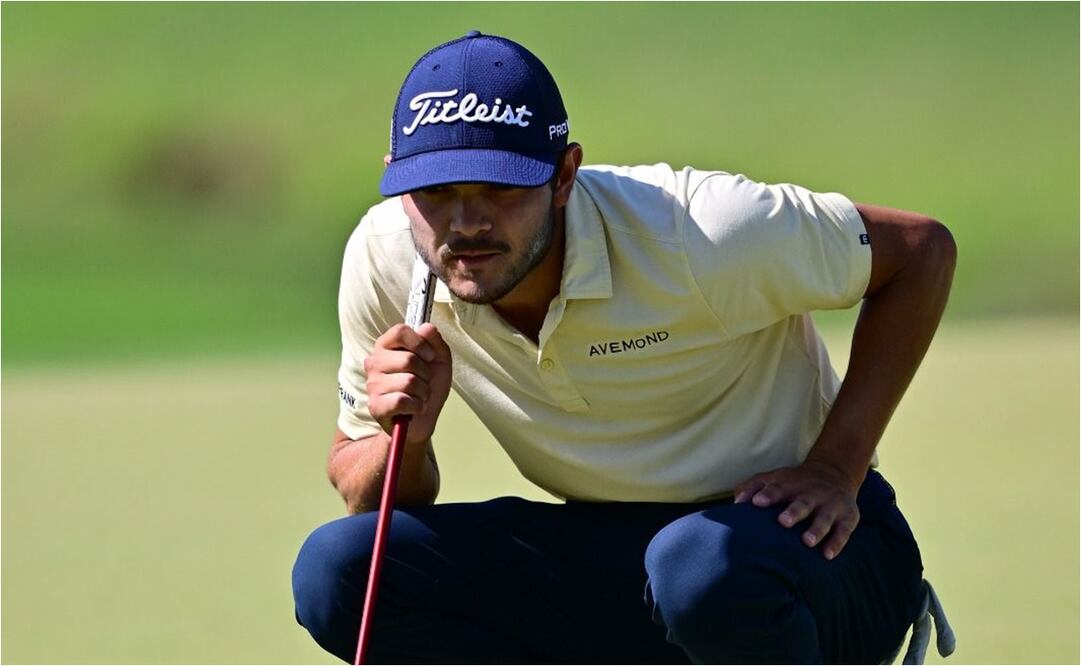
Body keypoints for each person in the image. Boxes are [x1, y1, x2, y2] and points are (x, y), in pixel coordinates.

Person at [292, 30, 956, 664]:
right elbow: (370, 499)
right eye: (436, 192)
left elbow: (920, 252)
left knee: (699, 569)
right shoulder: (387, 255)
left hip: (812, 550)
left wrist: (835, 469)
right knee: (338, 572)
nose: (466, 224)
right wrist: (406, 434)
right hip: (616, 557)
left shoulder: (701, 231)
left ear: (563, 175)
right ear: (398, 179)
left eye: (499, 187)